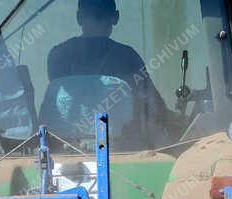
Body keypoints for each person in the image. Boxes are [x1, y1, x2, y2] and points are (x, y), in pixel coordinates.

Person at [47, 0, 175, 146]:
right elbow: (154, 107)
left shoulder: (57, 56)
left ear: (79, 17)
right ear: (115, 17)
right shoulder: (128, 57)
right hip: (120, 154)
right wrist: (179, 122)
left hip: (62, 153)